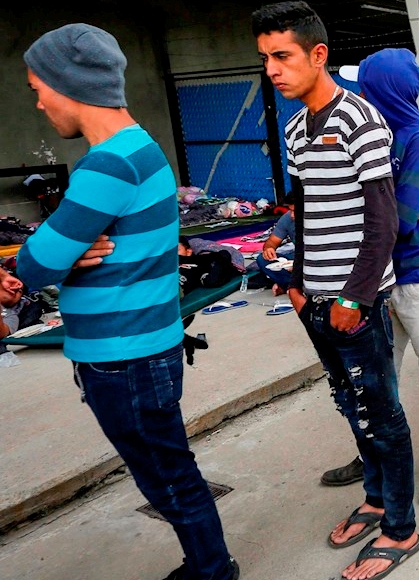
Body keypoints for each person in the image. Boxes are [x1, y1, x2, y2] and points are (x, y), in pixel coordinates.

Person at [19, 23, 239, 580]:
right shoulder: (141, 147)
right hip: (142, 348)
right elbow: (55, 253)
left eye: (38, 89)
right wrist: (67, 246)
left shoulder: (108, 164)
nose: (39, 104)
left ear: (67, 85)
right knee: (169, 470)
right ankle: (210, 566)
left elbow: (34, 266)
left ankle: (213, 571)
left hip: (125, 359)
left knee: (168, 478)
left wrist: (57, 248)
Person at [252, 3, 419, 579]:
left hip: (357, 305)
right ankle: (375, 500)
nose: (272, 70)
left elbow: (384, 222)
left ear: (318, 54)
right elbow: (306, 211)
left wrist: (354, 299)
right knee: (351, 405)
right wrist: (299, 286)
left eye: (282, 56)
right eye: (266, 58)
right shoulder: (295, 129)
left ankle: (401, 527)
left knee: (381, 413)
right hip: (315, 300)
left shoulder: (361, 119)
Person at [334, 48, 419, 504]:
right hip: (379, 278)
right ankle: (376, 453)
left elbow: (404, 220)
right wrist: (386, 206)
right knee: (377, 377)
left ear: (383, 90)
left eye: (365, 87)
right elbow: (372, 207)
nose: (359, 95)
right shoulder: (375, 134)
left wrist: (388, 208)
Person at [256, 198, 296, 294]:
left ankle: (289, 285)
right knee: (263, 259)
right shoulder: (287, 219)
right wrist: (268, 249)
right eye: (290, 210)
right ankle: (290, 286)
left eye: (295, 211)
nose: (292, 215)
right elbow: (272, 241)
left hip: (316, 260)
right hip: (296, 257)